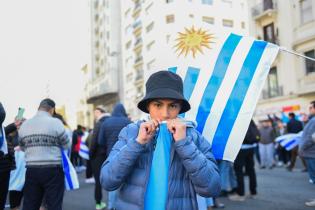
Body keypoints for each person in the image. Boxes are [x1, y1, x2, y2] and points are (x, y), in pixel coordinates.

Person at [100, 70, 221, 210]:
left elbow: (212, 187)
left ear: (180, 107)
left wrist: (184, 143)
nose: (165, 113)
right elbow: (107, 180)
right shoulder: (131, 132)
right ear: (148, 107)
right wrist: (137, 143)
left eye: (173, 106)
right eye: (158, 105)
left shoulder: (193, 136)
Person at [18, 98, 70, 210]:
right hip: (53, 169)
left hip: (32, 170)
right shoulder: (56, 123)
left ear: (39, 108)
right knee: (54, 204)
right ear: (51, 110)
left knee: (30, 204)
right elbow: (66, 144)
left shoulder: (25, 125)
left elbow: (22, 147)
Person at [98, 103, 131, 210]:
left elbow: (100, 141)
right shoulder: (128, 122)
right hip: (127, 155)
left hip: (111, 154)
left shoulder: (106, 123)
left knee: (113, 181)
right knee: (125, 182)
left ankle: (111, 206)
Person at [229, 120, 260, 202]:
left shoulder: (238, 117)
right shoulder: (250, 118)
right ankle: (253, 192)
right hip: (251, 147)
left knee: (239, 171)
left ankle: (240, 194)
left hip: (241, 148)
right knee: (251, 170)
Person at [0, 102, 20, 210]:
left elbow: (5, 130)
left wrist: (14, 125)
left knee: (2, 199)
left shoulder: (1, 128)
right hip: (4, 166)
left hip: (5, 168)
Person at [89, 106, 110, 210]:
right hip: (110, 154)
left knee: (98, 181)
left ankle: (98, 203)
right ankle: (113, 203)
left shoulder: (99, 124)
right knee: (114, 179)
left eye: (96, 112)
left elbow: (94, 142)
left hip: (98, 156)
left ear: (102, 112)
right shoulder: (110, 122)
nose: (95, 115)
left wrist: (90, 155)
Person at [299, 101, 315, 207]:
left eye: (311, 108)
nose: (310, 110)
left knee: (314, 176)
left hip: (311, 153)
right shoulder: (312, 120)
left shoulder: (314, 121)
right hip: (311, 152)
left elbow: (311, 137)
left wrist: (302, 148)